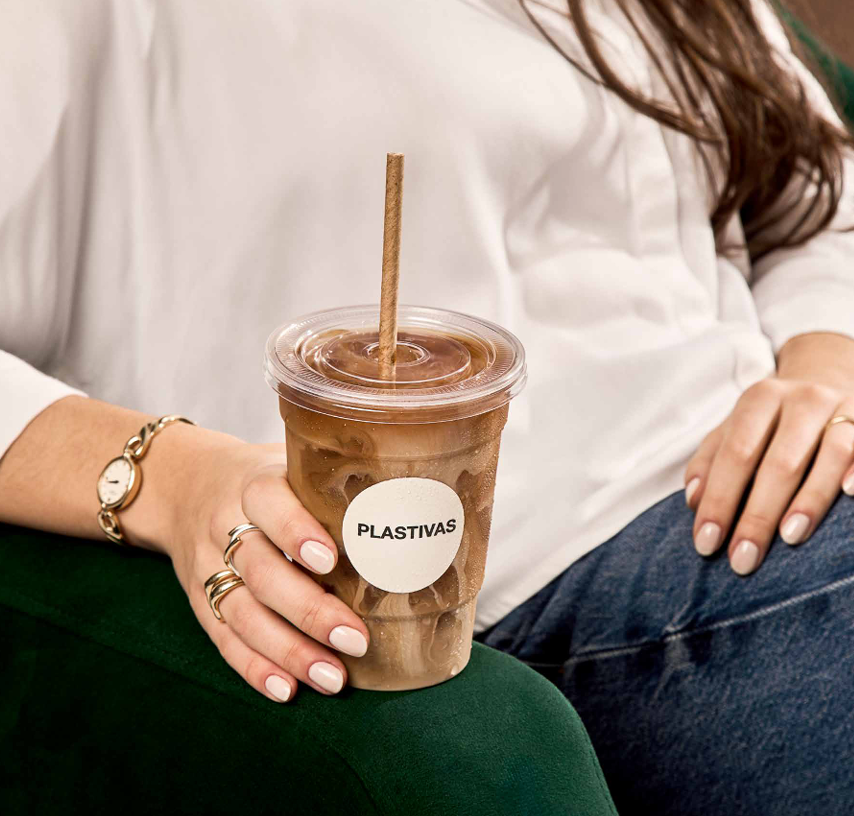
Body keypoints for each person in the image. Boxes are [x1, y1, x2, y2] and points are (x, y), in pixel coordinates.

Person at [1, 0, 852, 813]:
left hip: (791, 492)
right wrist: (169, 476)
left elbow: (813, 194)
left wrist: (825, 364)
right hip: (534, 571)